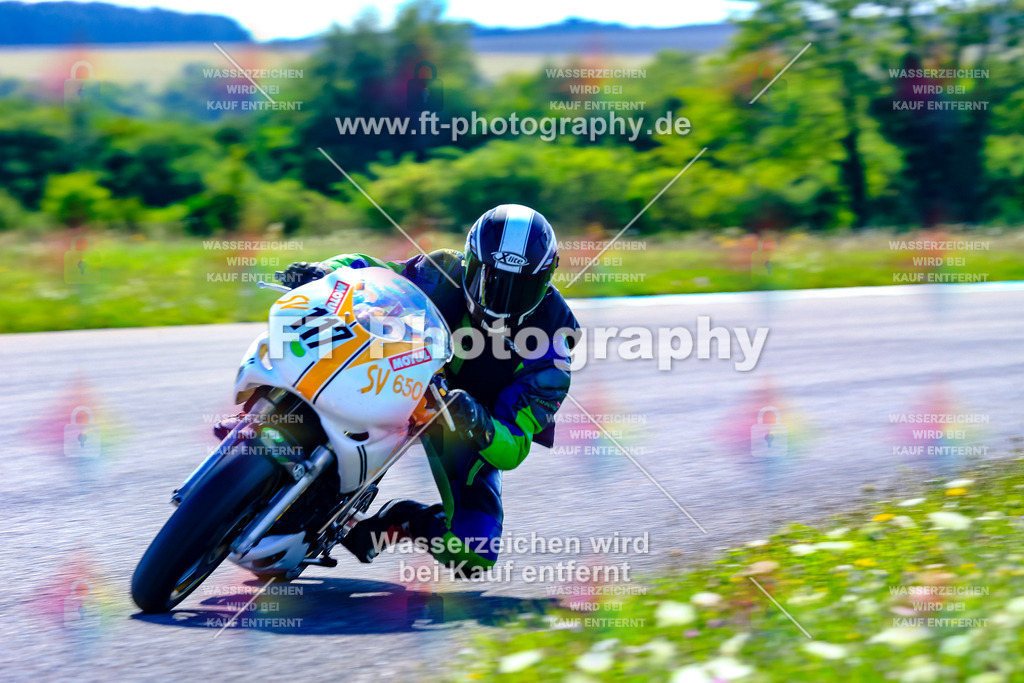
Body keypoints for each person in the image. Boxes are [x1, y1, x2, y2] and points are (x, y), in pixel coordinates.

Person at [227, 204, 579, 576]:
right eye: (491, 280)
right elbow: (372, 273)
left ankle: (397, 522)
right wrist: (325, 271)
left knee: (473, 550)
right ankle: (262, 421)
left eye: (520, 288)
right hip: (403, 371)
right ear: (471, 263)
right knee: (319, 347)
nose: (502, 299)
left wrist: (480, 423)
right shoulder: (441, 269)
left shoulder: (552, 348)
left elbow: (515, 445)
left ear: (545, 281)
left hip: (465, 422)